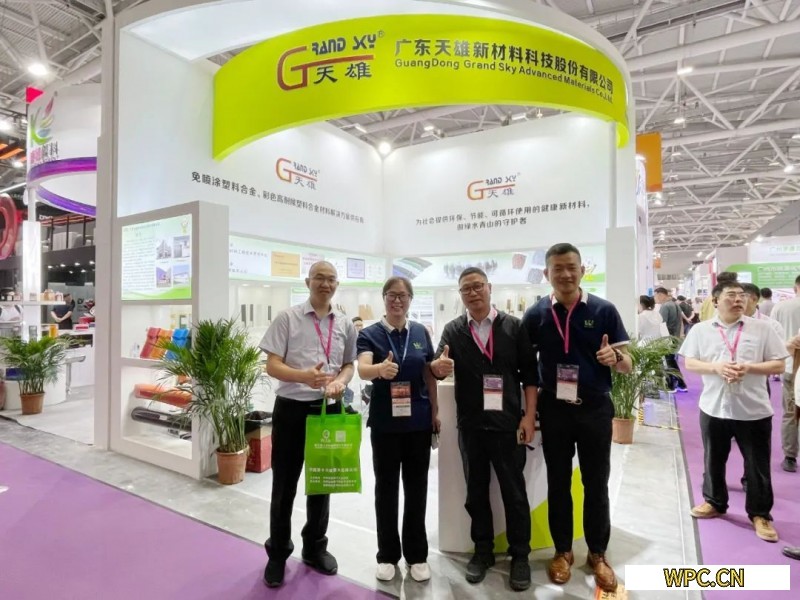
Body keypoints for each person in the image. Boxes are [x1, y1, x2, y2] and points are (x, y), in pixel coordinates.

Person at [522, 243, 631, 594]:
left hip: (595, 408)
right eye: (558, 268)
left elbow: (628, 364)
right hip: (555, 409)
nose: (566, 274)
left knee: (596, 483)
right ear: (547, 274)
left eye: (572, 267)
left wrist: (615, 358)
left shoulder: (603, 310)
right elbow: (526, 368)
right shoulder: (536, 314)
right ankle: (563, 551)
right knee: (558, 483)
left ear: (583, 270)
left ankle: (597, 553)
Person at [431, 267, 537, 591]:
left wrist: (529, 417)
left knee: (514, 493)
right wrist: (438, 367)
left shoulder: (513, 327)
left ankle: (520, 555)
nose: (473, 293)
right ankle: (483, 551)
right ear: (460, 295)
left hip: (507, 425)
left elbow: (530, 376)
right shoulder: (453, 330)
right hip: (472, 426)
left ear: (489, 288)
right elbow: (437, 366)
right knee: (475, 493)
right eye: (466, 289)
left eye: (478, 286)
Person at [259, 261, 358, 588]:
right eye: (319, 278)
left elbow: (348, 364)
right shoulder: (287, 318)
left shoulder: (345, 323)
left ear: (337, 284)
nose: (325, 284)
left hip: (327, 410)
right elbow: (272, 365)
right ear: (307, 282)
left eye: (331, 279)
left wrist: (340, 382)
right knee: (283, 486)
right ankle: (277, 554)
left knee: (322, 483)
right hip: (291, 410)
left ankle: (315, 547)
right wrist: (304, 377)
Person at [679, 280, 787, 542]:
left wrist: (748, 368)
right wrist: (716, 368)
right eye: (731, 295)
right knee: (713, 459)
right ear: (716, 301)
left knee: (757, 465)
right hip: (714, 406)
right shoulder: (701, 330)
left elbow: (778, 365)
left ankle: (760, 514)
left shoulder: (763, 329)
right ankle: (714, 501)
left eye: (742, 296)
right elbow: (690, 362)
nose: (739, 300)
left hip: (753, 409)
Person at [356, 277, 439, 583]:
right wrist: (379, 370)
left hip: (418, 423)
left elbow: (428, 373)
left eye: (403, 296)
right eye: (392, 295)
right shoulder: (369, 334)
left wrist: (435, 411)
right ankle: (387, 555)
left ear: (410, 300)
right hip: (385, 426)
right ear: (384, 298)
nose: (397, 301)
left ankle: (417, 555)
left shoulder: (420, 332)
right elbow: (363, 368)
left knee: (417, 489)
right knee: (386, 489)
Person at [771, 274, 800, 473]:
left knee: (790, 412)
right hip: (791, 364)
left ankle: (790, 456)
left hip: (790, 366)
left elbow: (772, 337)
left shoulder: (781, 307)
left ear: (795, 287)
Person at [655, 287, 688, 392]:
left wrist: (662, 340)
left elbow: (662, 324)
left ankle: (671, 385)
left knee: (668, 362)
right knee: (671, 361)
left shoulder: (665, 306)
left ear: (660, 295)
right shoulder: (675, 304)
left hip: (667, 338)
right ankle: (681, 384)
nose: (655, 298)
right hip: (674, 337)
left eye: (656, 296)